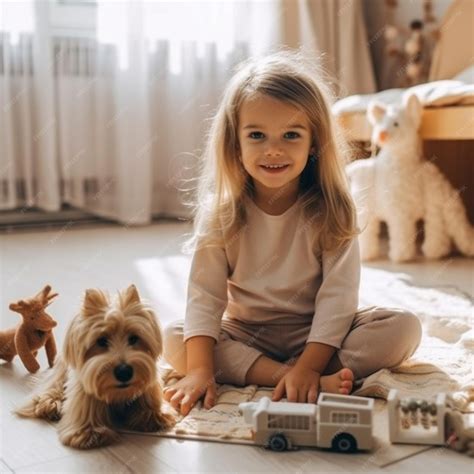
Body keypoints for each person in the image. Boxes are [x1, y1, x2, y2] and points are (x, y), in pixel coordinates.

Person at [162, 50, 422, 416]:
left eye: (291, 135)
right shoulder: (221, 214)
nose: (273, 150)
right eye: (256, 135)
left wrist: (311, 362)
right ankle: (290, 377)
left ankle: (303, 374)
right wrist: (201, 371)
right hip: (247, 332)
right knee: (175, 338)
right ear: (236, 144)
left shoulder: (332, 208)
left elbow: (339, 298)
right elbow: (204, 297)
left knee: (404, 328)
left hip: (320, 333)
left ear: (314, 142)